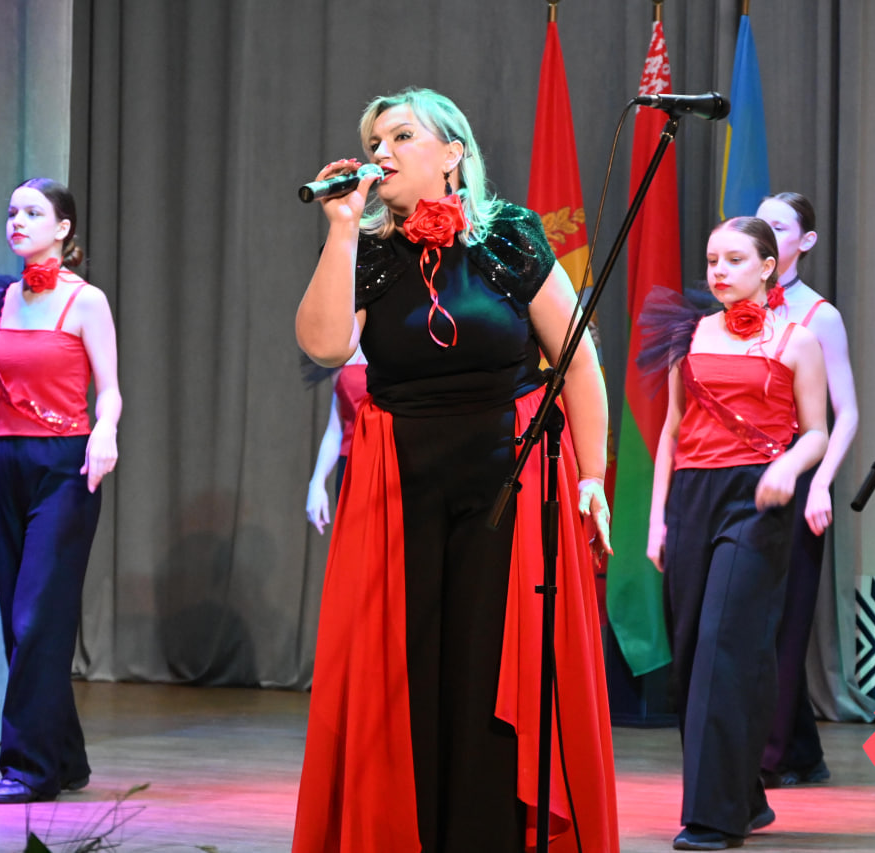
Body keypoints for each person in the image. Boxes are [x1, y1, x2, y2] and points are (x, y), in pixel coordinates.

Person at [291, 87, 619, 853]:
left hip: (508, 479)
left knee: (489, 664)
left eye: (401, 136)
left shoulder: (509, 235)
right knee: (407, 669)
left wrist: (592, 478)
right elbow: (325, 346)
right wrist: (340, 230)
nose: (382, 152)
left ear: (452, 152)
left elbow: (578, 362)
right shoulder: (370, 249)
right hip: (400, 483)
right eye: (374, 142)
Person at [642, 217, 827, 850]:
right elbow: (671, 431)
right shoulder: (689, 334)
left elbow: (817, 432)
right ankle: (744, 797)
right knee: (692, 655)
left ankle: (712, 816)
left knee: (724, 645)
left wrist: (789, 468)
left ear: (768, 267)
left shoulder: (798, 340)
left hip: (757, 499)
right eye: (712, 259)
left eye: (735, 260)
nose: (719, 271)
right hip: (693, 496)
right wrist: (657, 518)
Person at [0, 178, 121, 804]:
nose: (17, 222)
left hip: (66, 467)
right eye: (11, 213)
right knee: (16, 622)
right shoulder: (4, 299)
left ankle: (29, 768)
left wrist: (105, 432)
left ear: (63, 228)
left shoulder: (85, 301)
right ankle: (65, 757)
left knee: (37, 617)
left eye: (32, 212)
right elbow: (6, 397)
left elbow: (110, 390)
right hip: (10, 464)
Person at [755, 192, 858, 788]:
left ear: (806, 241)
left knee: (786, 619)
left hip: (798, 472)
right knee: (753, 614)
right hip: (742, 470)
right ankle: (800, 750)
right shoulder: (736, 304)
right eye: (760, 222)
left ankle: (768, 758)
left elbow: (845, 413)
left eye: (779, 226)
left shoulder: (819, 315)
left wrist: (820, 483)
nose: (766, 232)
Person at [305, 347, 368, 534]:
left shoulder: (398, 344)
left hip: (395, 465)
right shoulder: (343, 347)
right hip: (351, 469)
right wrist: (317, 482)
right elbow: (336, 429)